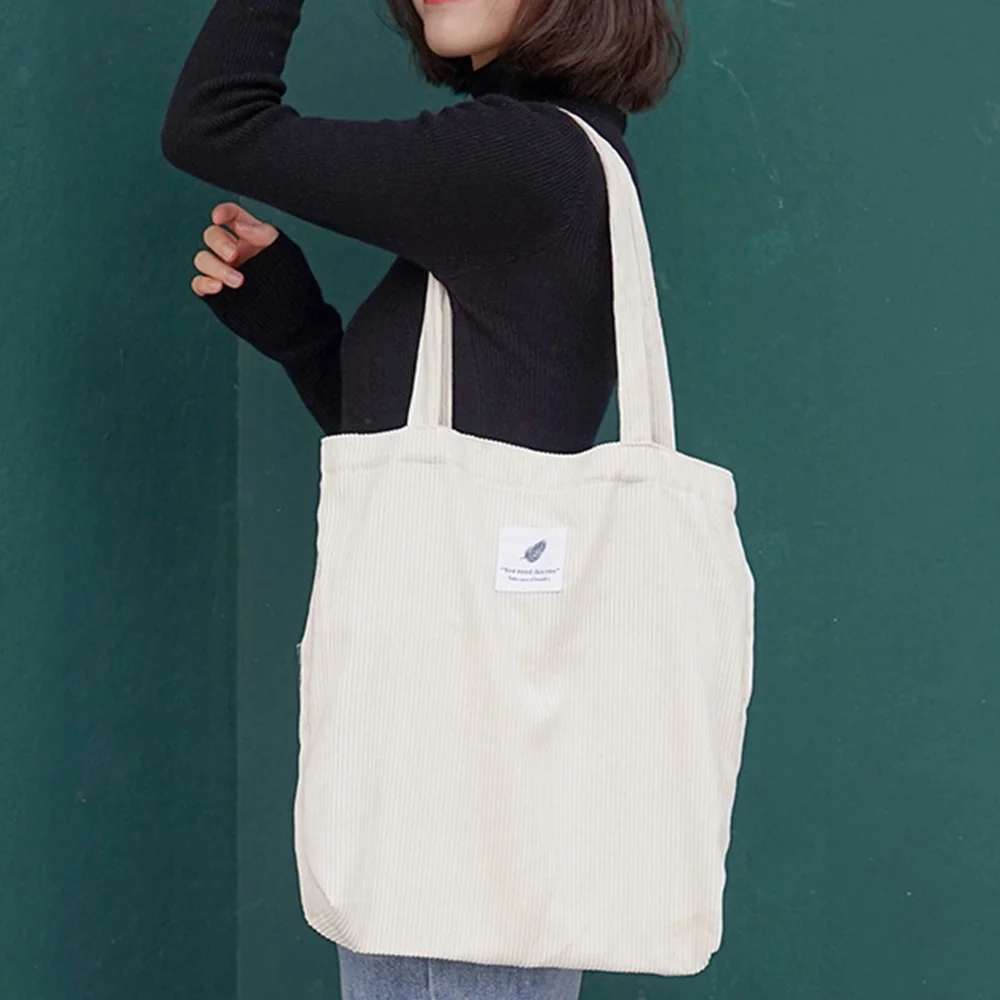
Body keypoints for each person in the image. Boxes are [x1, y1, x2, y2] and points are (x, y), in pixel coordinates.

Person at [161, 0, 684, 996]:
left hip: (451, 766)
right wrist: (301, 329)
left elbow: (212, 122)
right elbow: (425, 464)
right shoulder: (558, 169)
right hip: (465, 751)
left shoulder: (525, 161)